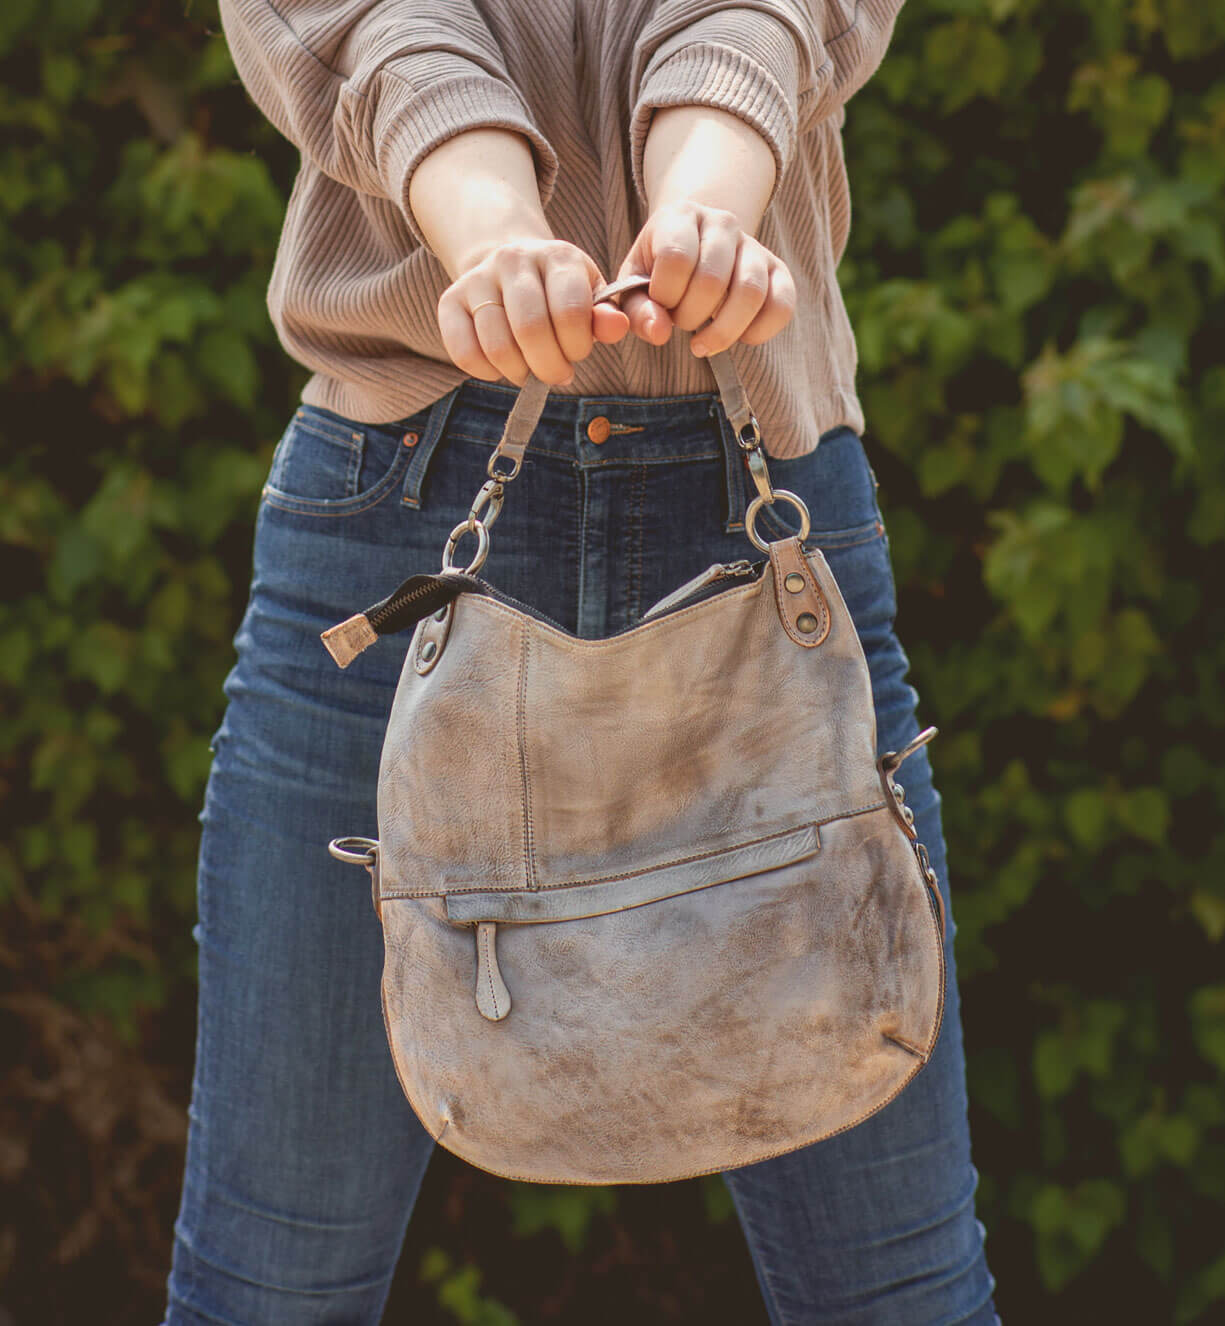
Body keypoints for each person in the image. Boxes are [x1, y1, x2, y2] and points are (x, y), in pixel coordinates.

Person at [162, 1, 1000, 1321]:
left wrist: (704, 206)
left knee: (896, 1287)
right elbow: (377, 24)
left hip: (745, 499)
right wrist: (488, 232)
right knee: (269, 1279)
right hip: (405, 520)